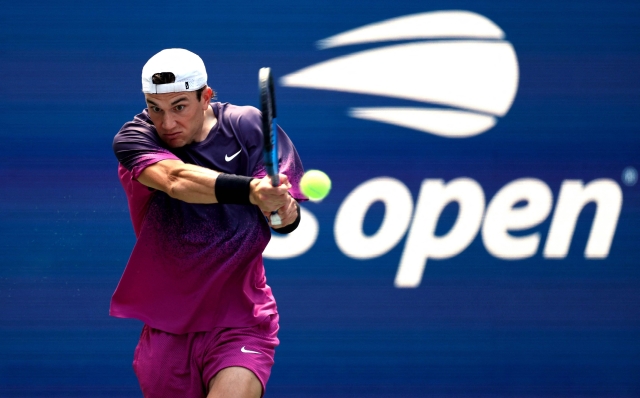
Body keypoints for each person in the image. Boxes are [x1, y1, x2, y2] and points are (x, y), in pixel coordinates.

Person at [111, 48, 305, 398]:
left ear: (206, 97)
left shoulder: (246, 126)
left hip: (242, 321)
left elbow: (284, 218)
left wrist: (281, 208)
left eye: (179, 107)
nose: (167, 123)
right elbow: (176, 180)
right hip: (167, 328)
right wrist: (252, 191)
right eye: (155, 109)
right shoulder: (134, 140)